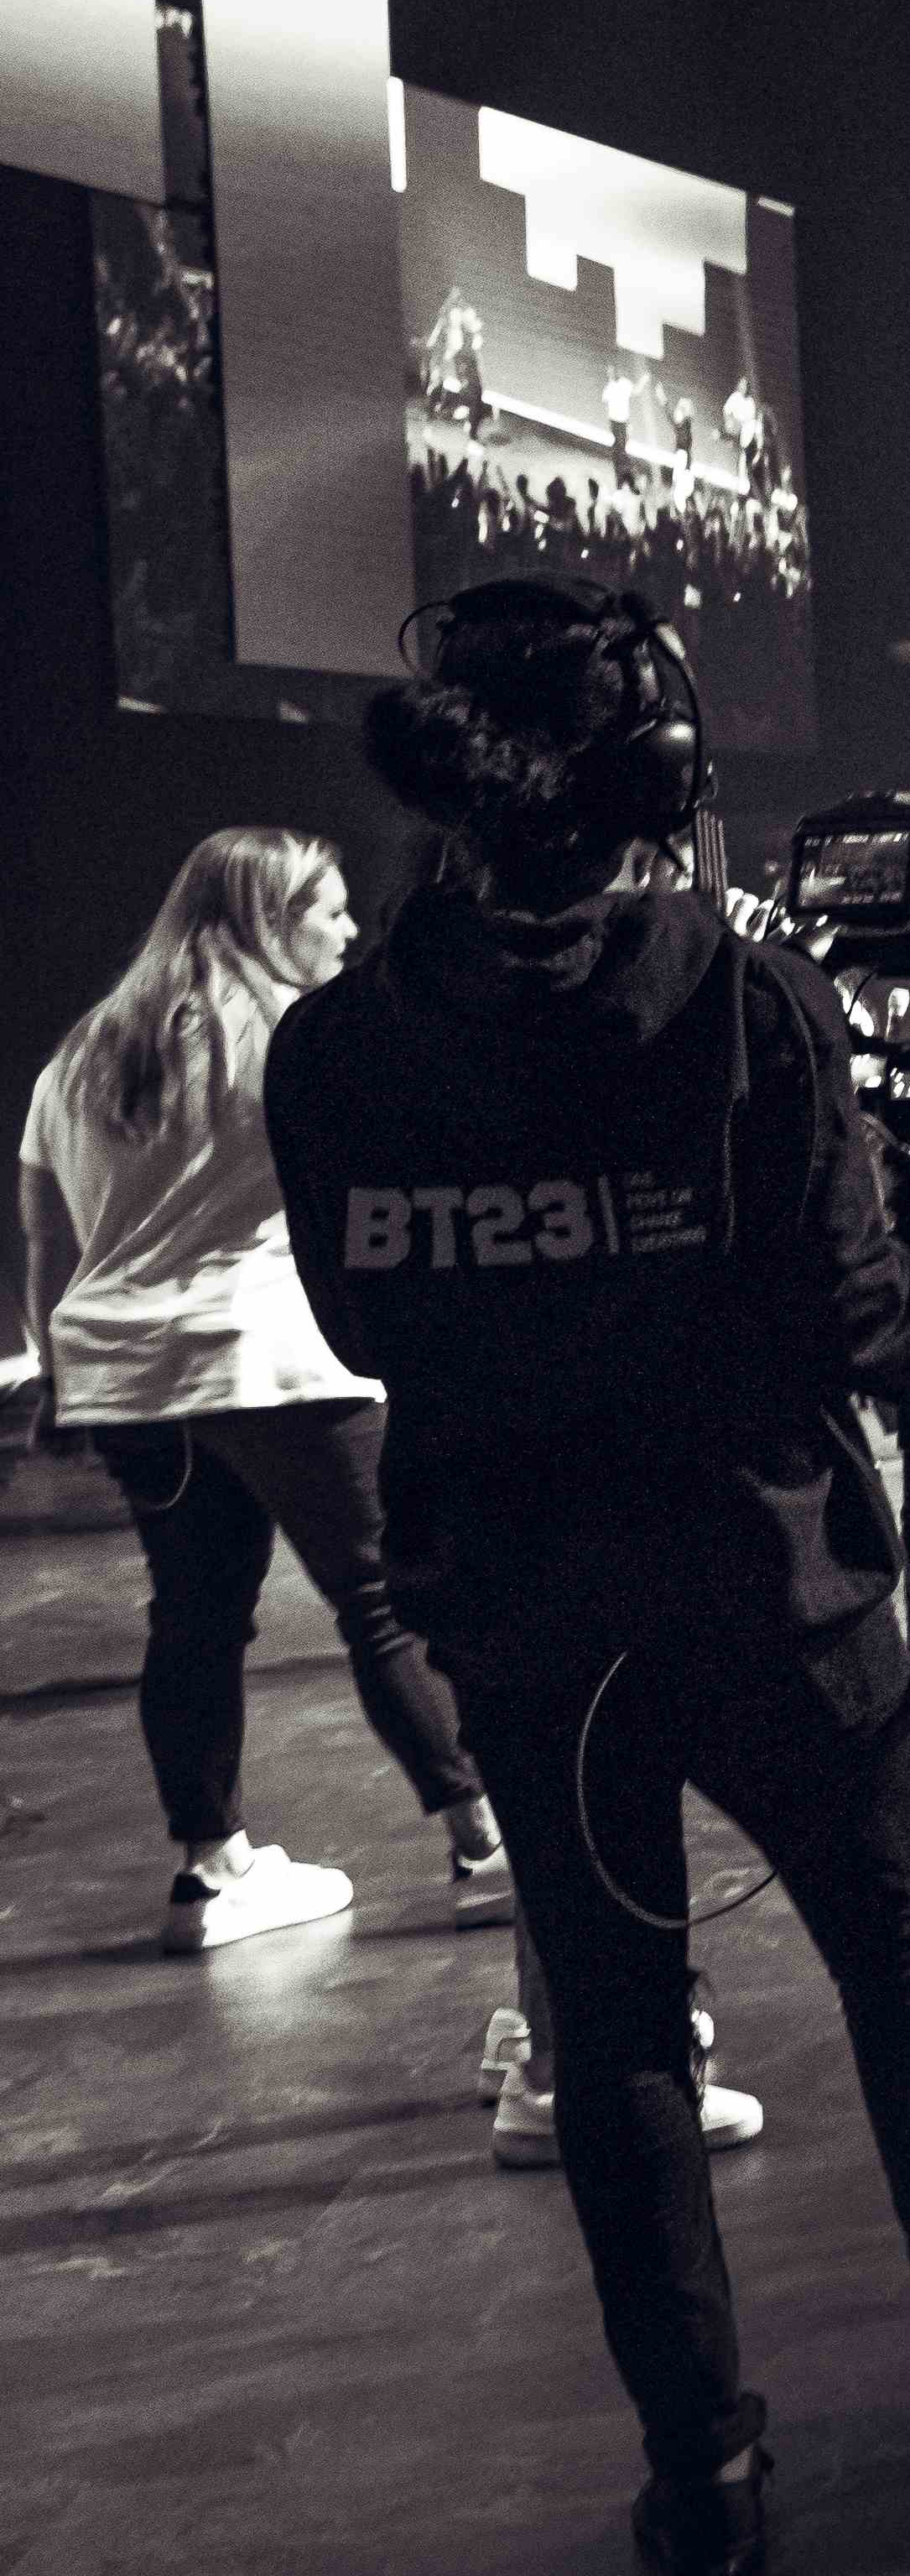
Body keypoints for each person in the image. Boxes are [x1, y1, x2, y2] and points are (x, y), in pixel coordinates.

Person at [259, 580, 910, 2576]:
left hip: (519, 1606)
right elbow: (853, 1310)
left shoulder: (331, 1050)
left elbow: (359, 1302)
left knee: (614, 2040)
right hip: (771, 1587)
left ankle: (705, 2467)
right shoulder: (735, 1003)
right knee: (907, 1963)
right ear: (652, 785)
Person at [22, 829, 509, 1945]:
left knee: (193, 1618)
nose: (348, 932)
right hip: (277, 1363)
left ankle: (212, 1870)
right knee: (390, 1604)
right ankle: (487, 1845)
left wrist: (59, 1370)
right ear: (261, 922)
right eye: (325, 912)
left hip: (129, 1375)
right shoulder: (304, 1041)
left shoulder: (83, 1055)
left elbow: (44, 1240)